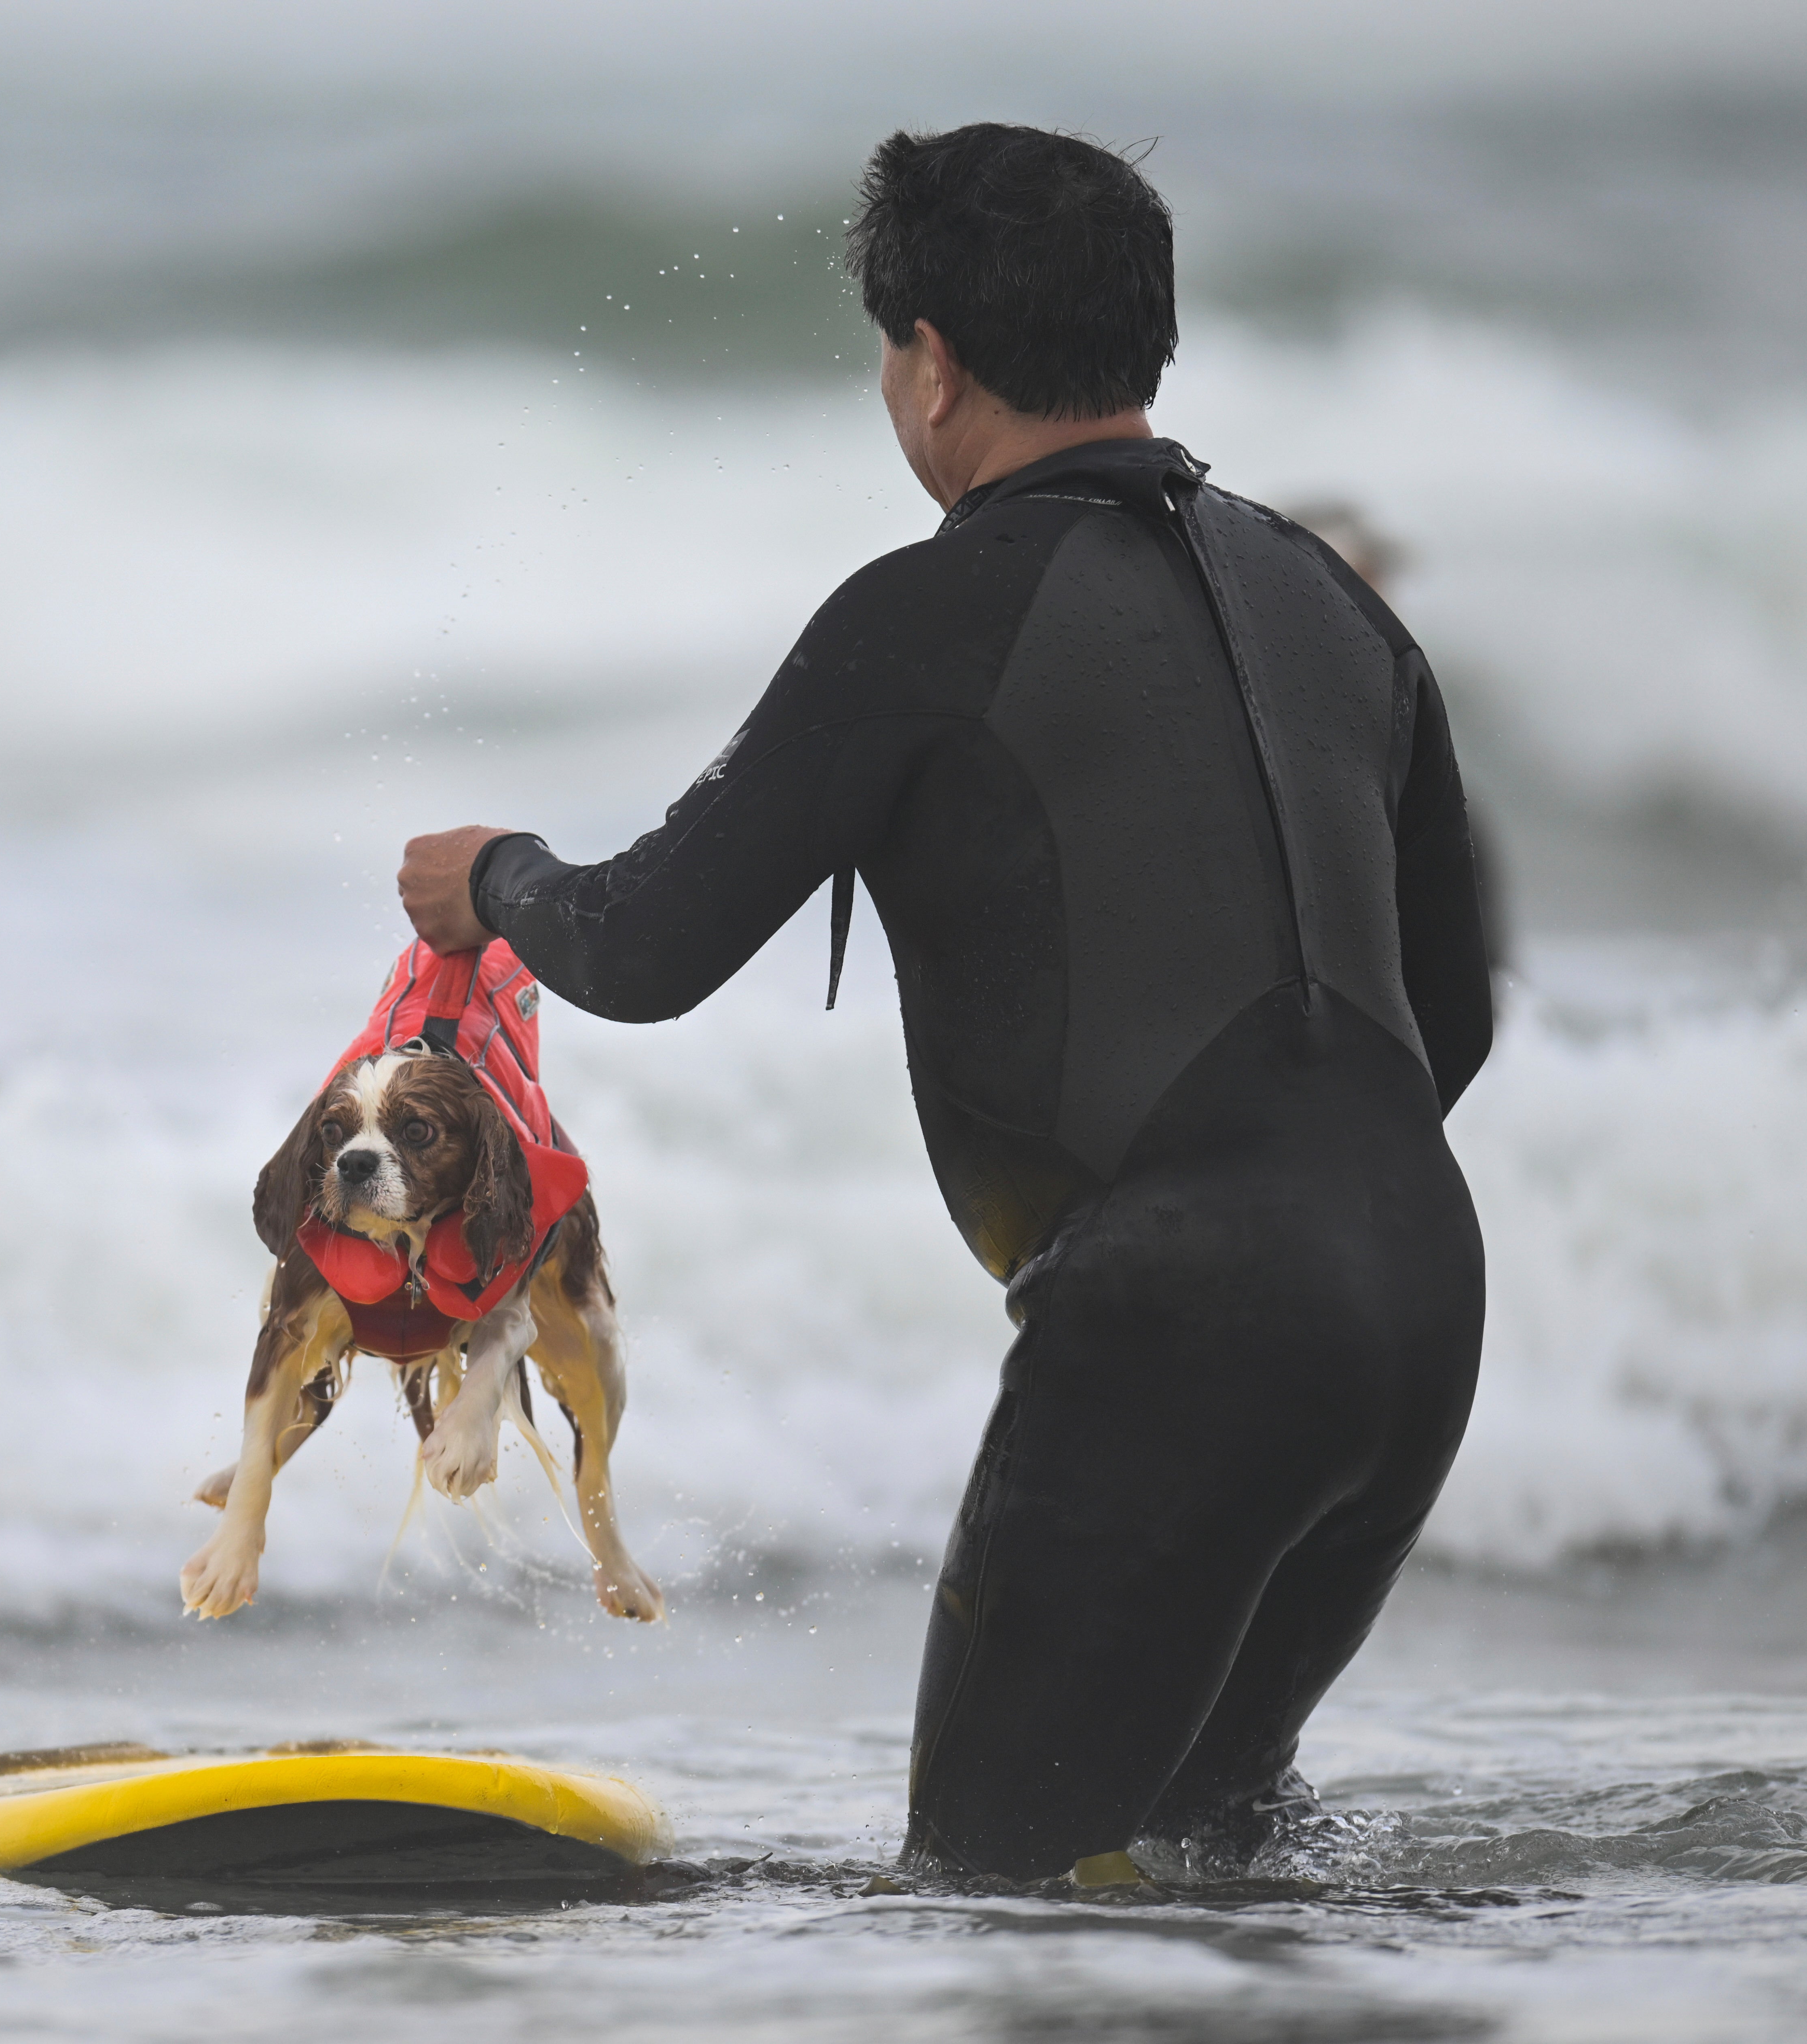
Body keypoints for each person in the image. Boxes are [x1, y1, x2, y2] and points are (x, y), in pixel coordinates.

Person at [396, 124, 1492, 1885]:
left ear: (931, 365)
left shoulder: (924, 617)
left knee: (989, 1891)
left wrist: (499, 880)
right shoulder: (1334, 607)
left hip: (1173, 1322)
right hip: (1417, 1299)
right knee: (1209, 1864)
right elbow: (1453, 1016)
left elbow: (651, 942)